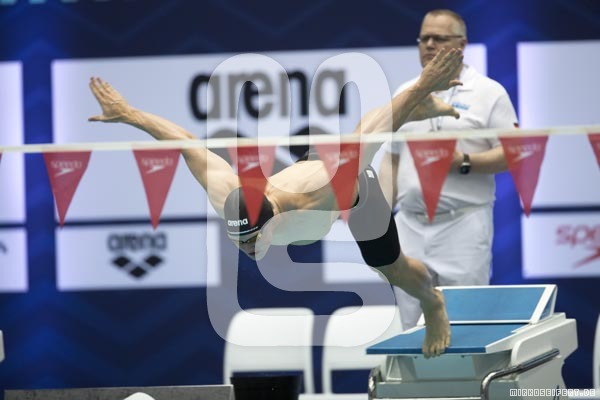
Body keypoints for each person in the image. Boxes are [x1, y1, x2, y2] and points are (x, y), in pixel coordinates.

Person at [88, 48, 463, 358]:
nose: (247, 249)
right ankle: (419, 108)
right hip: (312, 169)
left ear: (274, 219)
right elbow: (185, 142)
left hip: (352, 193)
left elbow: (374, 130)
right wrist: (129, 115)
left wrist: (422, 85)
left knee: (390, 267)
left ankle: (432, 303)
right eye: (240, 240)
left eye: (252, 239)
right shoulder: (225, 193)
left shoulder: (322, 190)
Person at [379, 9, 519, 330]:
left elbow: (516, 153)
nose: (429, 45)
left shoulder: (488, 92)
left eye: (439, 38)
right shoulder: (406, 93)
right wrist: (381, 219)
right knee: (411, 324)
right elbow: (392, 159)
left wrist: (465, 162)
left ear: (462, 44)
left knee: (466, 322)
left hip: (463, 225)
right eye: (424, 38)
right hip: (410, 225)